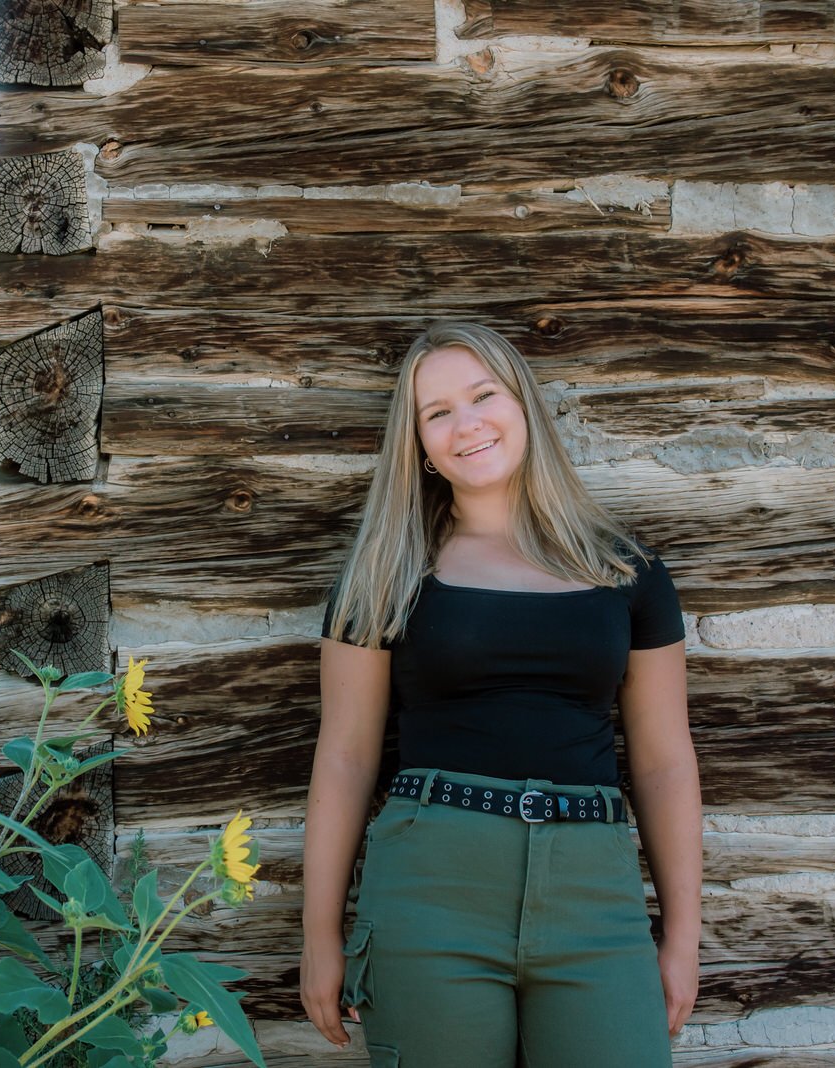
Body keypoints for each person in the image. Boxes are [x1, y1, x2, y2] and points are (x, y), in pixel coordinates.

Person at [299, 321, 701, 1067]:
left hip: (596, 900)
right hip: (430, 893)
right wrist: (319, 936)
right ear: (419, 446)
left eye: (484, 396)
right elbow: (347, 757)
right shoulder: (383, 576)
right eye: (438, 412)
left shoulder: (629, 574)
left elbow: (664, 762)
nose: (467, 424)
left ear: (525, 407)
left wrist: (682, 935)